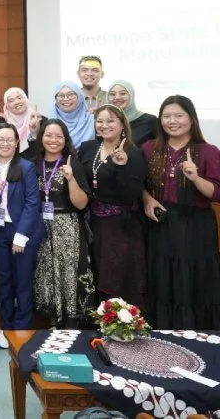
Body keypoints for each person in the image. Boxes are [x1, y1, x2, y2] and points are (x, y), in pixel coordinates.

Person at [141, 95, 220, 330]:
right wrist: (147, 199)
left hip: (196, 227)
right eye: (166, 116)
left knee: (193, 279)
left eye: (178, 115)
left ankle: (197, 334)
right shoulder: (149, 148)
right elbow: (137, 183)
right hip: (160, 224)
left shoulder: (209, 152)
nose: (172, 121)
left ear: (191, 119)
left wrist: (196, 178)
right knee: (161, 277)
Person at [77, 105, 148, 308]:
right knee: (96, 272)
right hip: (93, 223)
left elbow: (131, 194)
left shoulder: (133, 152)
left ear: (122, 124)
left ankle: (120, 321)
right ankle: (99, 319)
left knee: (118, 276)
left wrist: (120, 167)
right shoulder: (88, 147)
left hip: (121, 226)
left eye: (110, 121)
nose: (104, 125)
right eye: (100, 121)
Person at [32, 119, 95, 329]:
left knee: (69, 273)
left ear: (65, 139)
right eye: (49, 135)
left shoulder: (73, 164)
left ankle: (71, 323)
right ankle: (52, 320)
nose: (53, 140)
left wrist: (70, 179)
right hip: (41, 227)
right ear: (41, 138)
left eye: (59, 136)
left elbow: (82, 203)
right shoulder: (33, 163)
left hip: (68, 227)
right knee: (47, 273)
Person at [0, 121, 42, 349]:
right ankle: (6, 328)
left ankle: (22, 330)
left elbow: (32, 203)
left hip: (21, 233)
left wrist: (21, 236)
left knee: (23, 283)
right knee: (4, 281)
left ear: (17, 142)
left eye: (10, 139)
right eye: (1, 139)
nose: (5, 143)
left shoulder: (26, 167)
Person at [107, 80, 157, 147]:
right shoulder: (103, 123)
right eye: (112, 94)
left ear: (131, 95)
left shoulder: (149, 121)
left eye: (123, 93)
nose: (117, 97)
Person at [50, 80, 95, 145]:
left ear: (80, 97)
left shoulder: (92, 121)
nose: (65, 99)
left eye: (70, 95)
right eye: (61, 95)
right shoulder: (49, 123)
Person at [3, 87, 39, 154]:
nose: (17, 102)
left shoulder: (38, 120)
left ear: (25, 99)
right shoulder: (3, 123)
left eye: (19, 98)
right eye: (11, 101)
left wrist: (35, 132)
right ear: (7, 105)